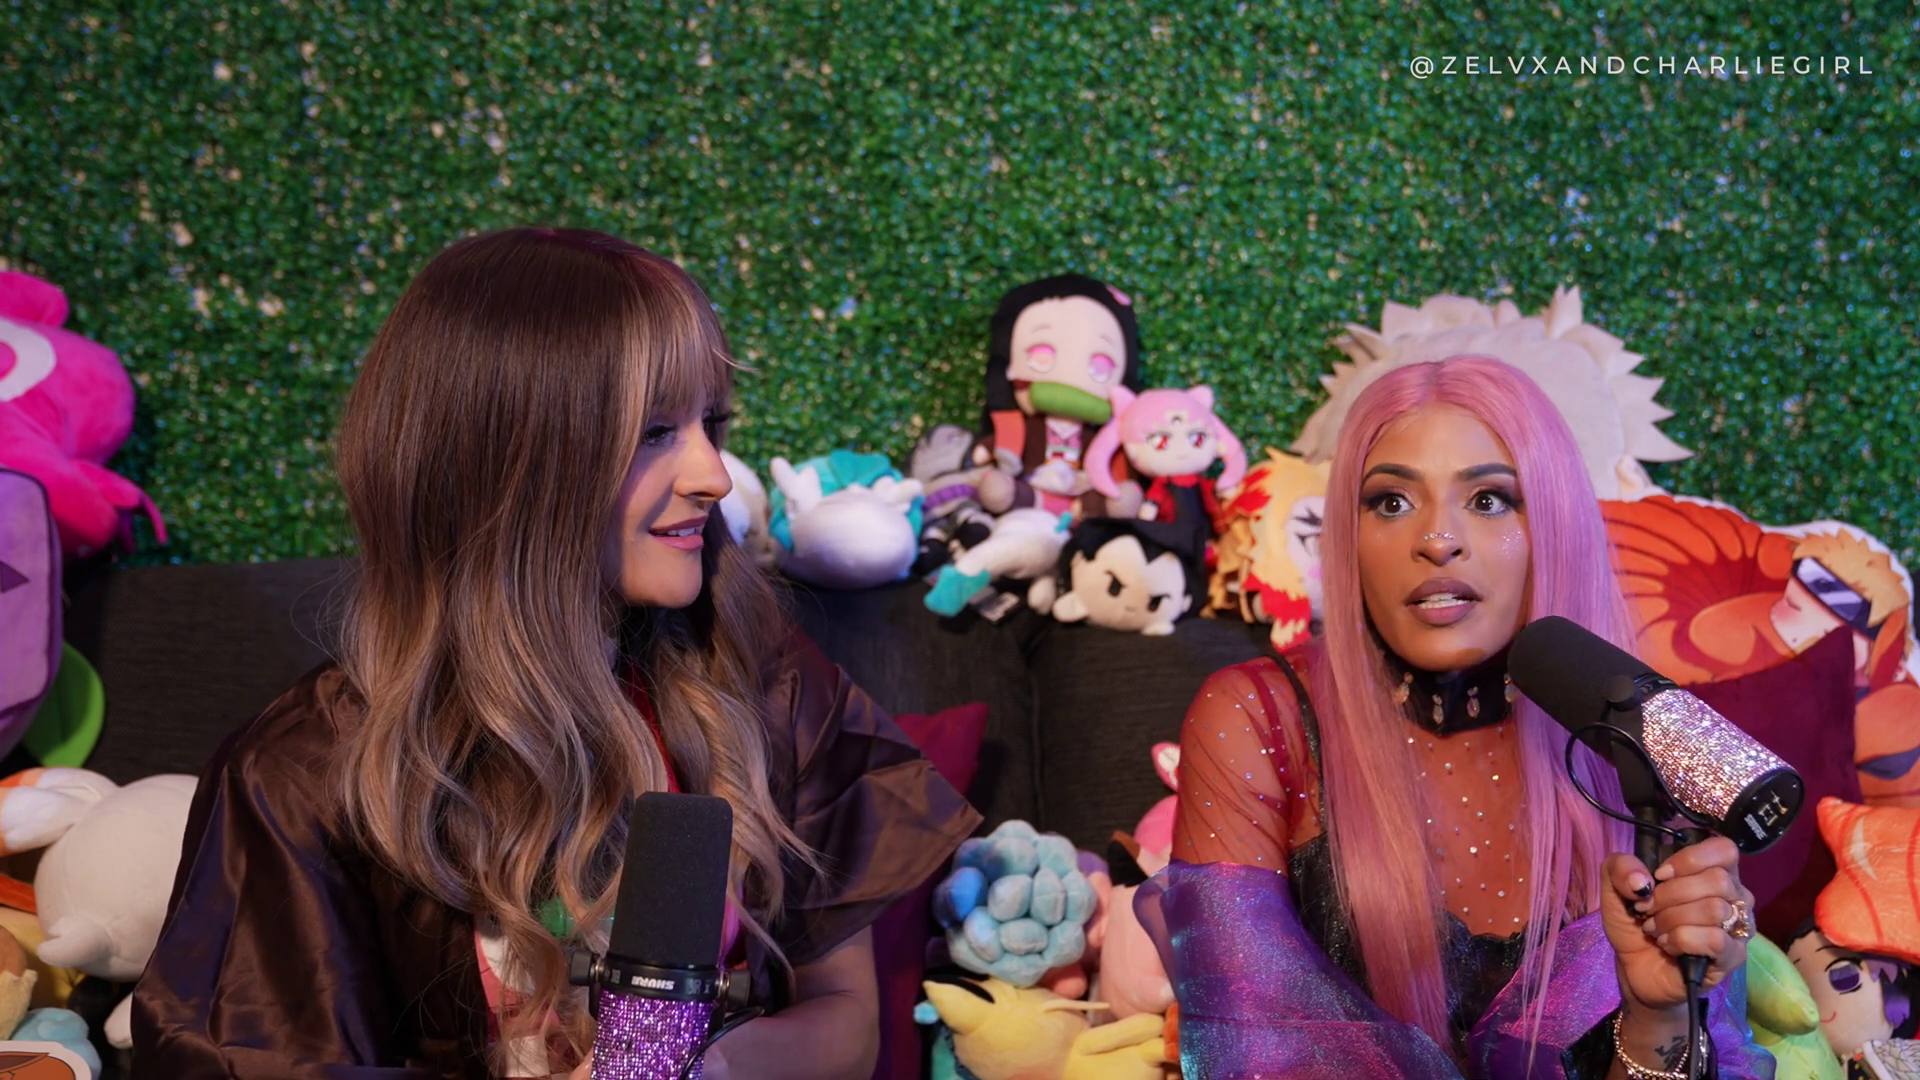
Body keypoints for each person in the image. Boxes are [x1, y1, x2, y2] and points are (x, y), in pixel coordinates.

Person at [132, 228, 981, 1079]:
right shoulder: (301, 775)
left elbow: (846, 1024)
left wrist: (699, 1071)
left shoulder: (763, 680)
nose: (714, 476)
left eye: (711, 423)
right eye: (655, 431)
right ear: (510, 463)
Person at [1152, 356, 1772, 1079]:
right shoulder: (1258, 717)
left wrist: (1660, 1018)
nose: (1437, 539)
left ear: (1554, 526)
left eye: (1488, 499)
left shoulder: (1646, 728)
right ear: (1347, 537)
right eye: (1391, 502)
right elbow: (1249, 1058)